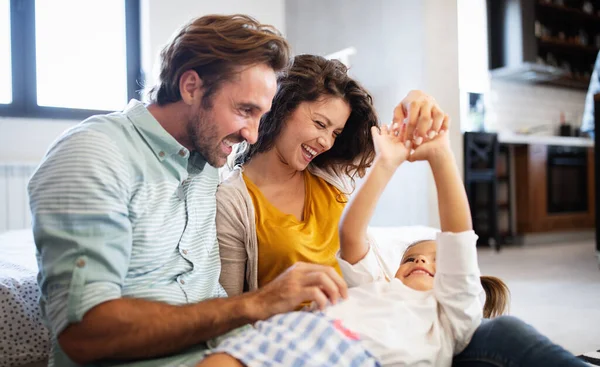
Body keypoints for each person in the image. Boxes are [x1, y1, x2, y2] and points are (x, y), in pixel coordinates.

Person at [27, 15, 352, 367]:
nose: (253, 135)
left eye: (261, 115)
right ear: (191, 87)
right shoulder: (95, 155)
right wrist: (254, 303)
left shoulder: (204, 163)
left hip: (230, 351)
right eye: (245, 110)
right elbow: (85, 333)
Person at [200, 117, 588, 367]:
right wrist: (386, 163)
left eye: (436, 265)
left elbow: (457, 237)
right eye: (413, 257)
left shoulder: (452, 315)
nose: (422, 262)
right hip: (300, 330)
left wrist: (440, 157)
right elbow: (351, 235)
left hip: (354, 355)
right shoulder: (377, 285)